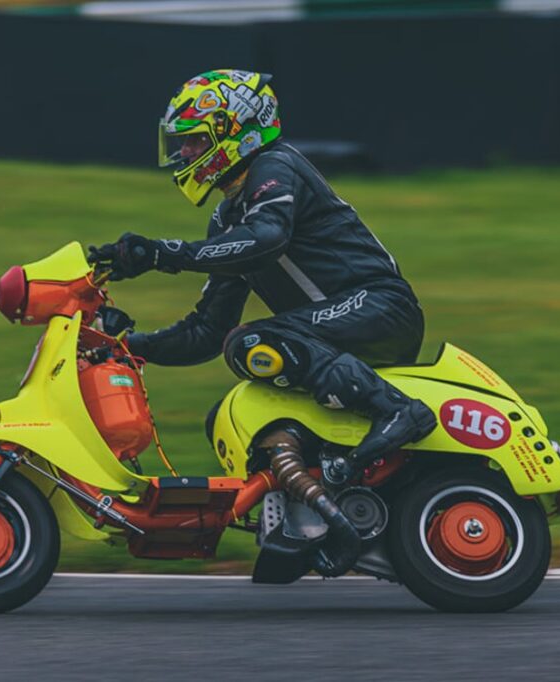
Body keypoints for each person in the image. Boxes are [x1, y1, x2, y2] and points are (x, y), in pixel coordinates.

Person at [90, 69, 436, 574]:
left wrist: (165, 254)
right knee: (231, 410)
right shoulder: (230, 216)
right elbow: (205, 333)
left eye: (192, 142)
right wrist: (126, 345)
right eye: (181, 144)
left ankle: (400, 413)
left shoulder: (275, 166)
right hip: (330, 327)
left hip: (380, 305)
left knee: (257, 340)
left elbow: (268, 237)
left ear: (235, 133)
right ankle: (304, 522)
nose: (183, 155)